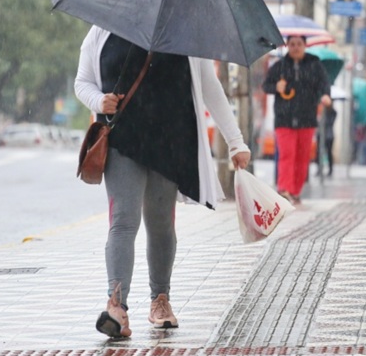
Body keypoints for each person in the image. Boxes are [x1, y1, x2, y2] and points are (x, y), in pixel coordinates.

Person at [75, 26, 251, 339]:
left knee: (160, 225)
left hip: (169, 145)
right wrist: (99, 101)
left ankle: (160, 300)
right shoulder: (102, 29)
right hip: (122, 143)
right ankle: (116, 305)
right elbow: (82, 82)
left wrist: (235, 142)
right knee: (122, 222)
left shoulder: (184, 32)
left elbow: (210, 87)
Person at [261, 35, 332, 205]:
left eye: (299, 44)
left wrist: (325, 96)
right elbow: (266, 85)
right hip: (284, 119)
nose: (295, 47)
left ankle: (295, 191)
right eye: (292, 44)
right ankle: (284, 190)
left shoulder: (315, 65)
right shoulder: (279, 67)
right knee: (287, 154)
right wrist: (276, 87)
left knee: (302, 157)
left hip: (307, 118)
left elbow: (324, 84)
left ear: (305, 45)